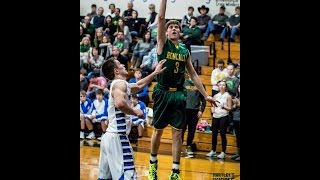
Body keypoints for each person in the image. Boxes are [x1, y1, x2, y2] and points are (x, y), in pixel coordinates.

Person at [148, 1, 216, 179]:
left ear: (180, 31)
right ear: (166, 31)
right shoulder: (162, 43)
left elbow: (193, 75)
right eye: (170, 27)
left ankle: (175, 171)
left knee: (178, 132)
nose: (173, 29)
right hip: (162, 91)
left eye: (176, 27)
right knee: (158, 130)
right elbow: (161, 17)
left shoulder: (185, 50)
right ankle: (153, 165)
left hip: (178, 93)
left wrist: (206, 95)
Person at [97, 58, 166, 180]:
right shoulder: (120, 84)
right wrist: (136, 112)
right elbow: (120, 103)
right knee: (128, 176)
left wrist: (155, 73)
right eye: (120, 64)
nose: (123, 64)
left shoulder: (121, 84)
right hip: (118, 138)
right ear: (116, 70)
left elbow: (139, 85)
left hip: (108, 137)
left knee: (104, 177)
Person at [181, 73, 206, 156]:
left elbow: (204, 100)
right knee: (181, 130)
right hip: (184, 111)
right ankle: (179, 147)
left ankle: (188, 146)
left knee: (192, 131)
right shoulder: (184, 83)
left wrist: (201, 110)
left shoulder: (200, 85)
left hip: (194, 112)